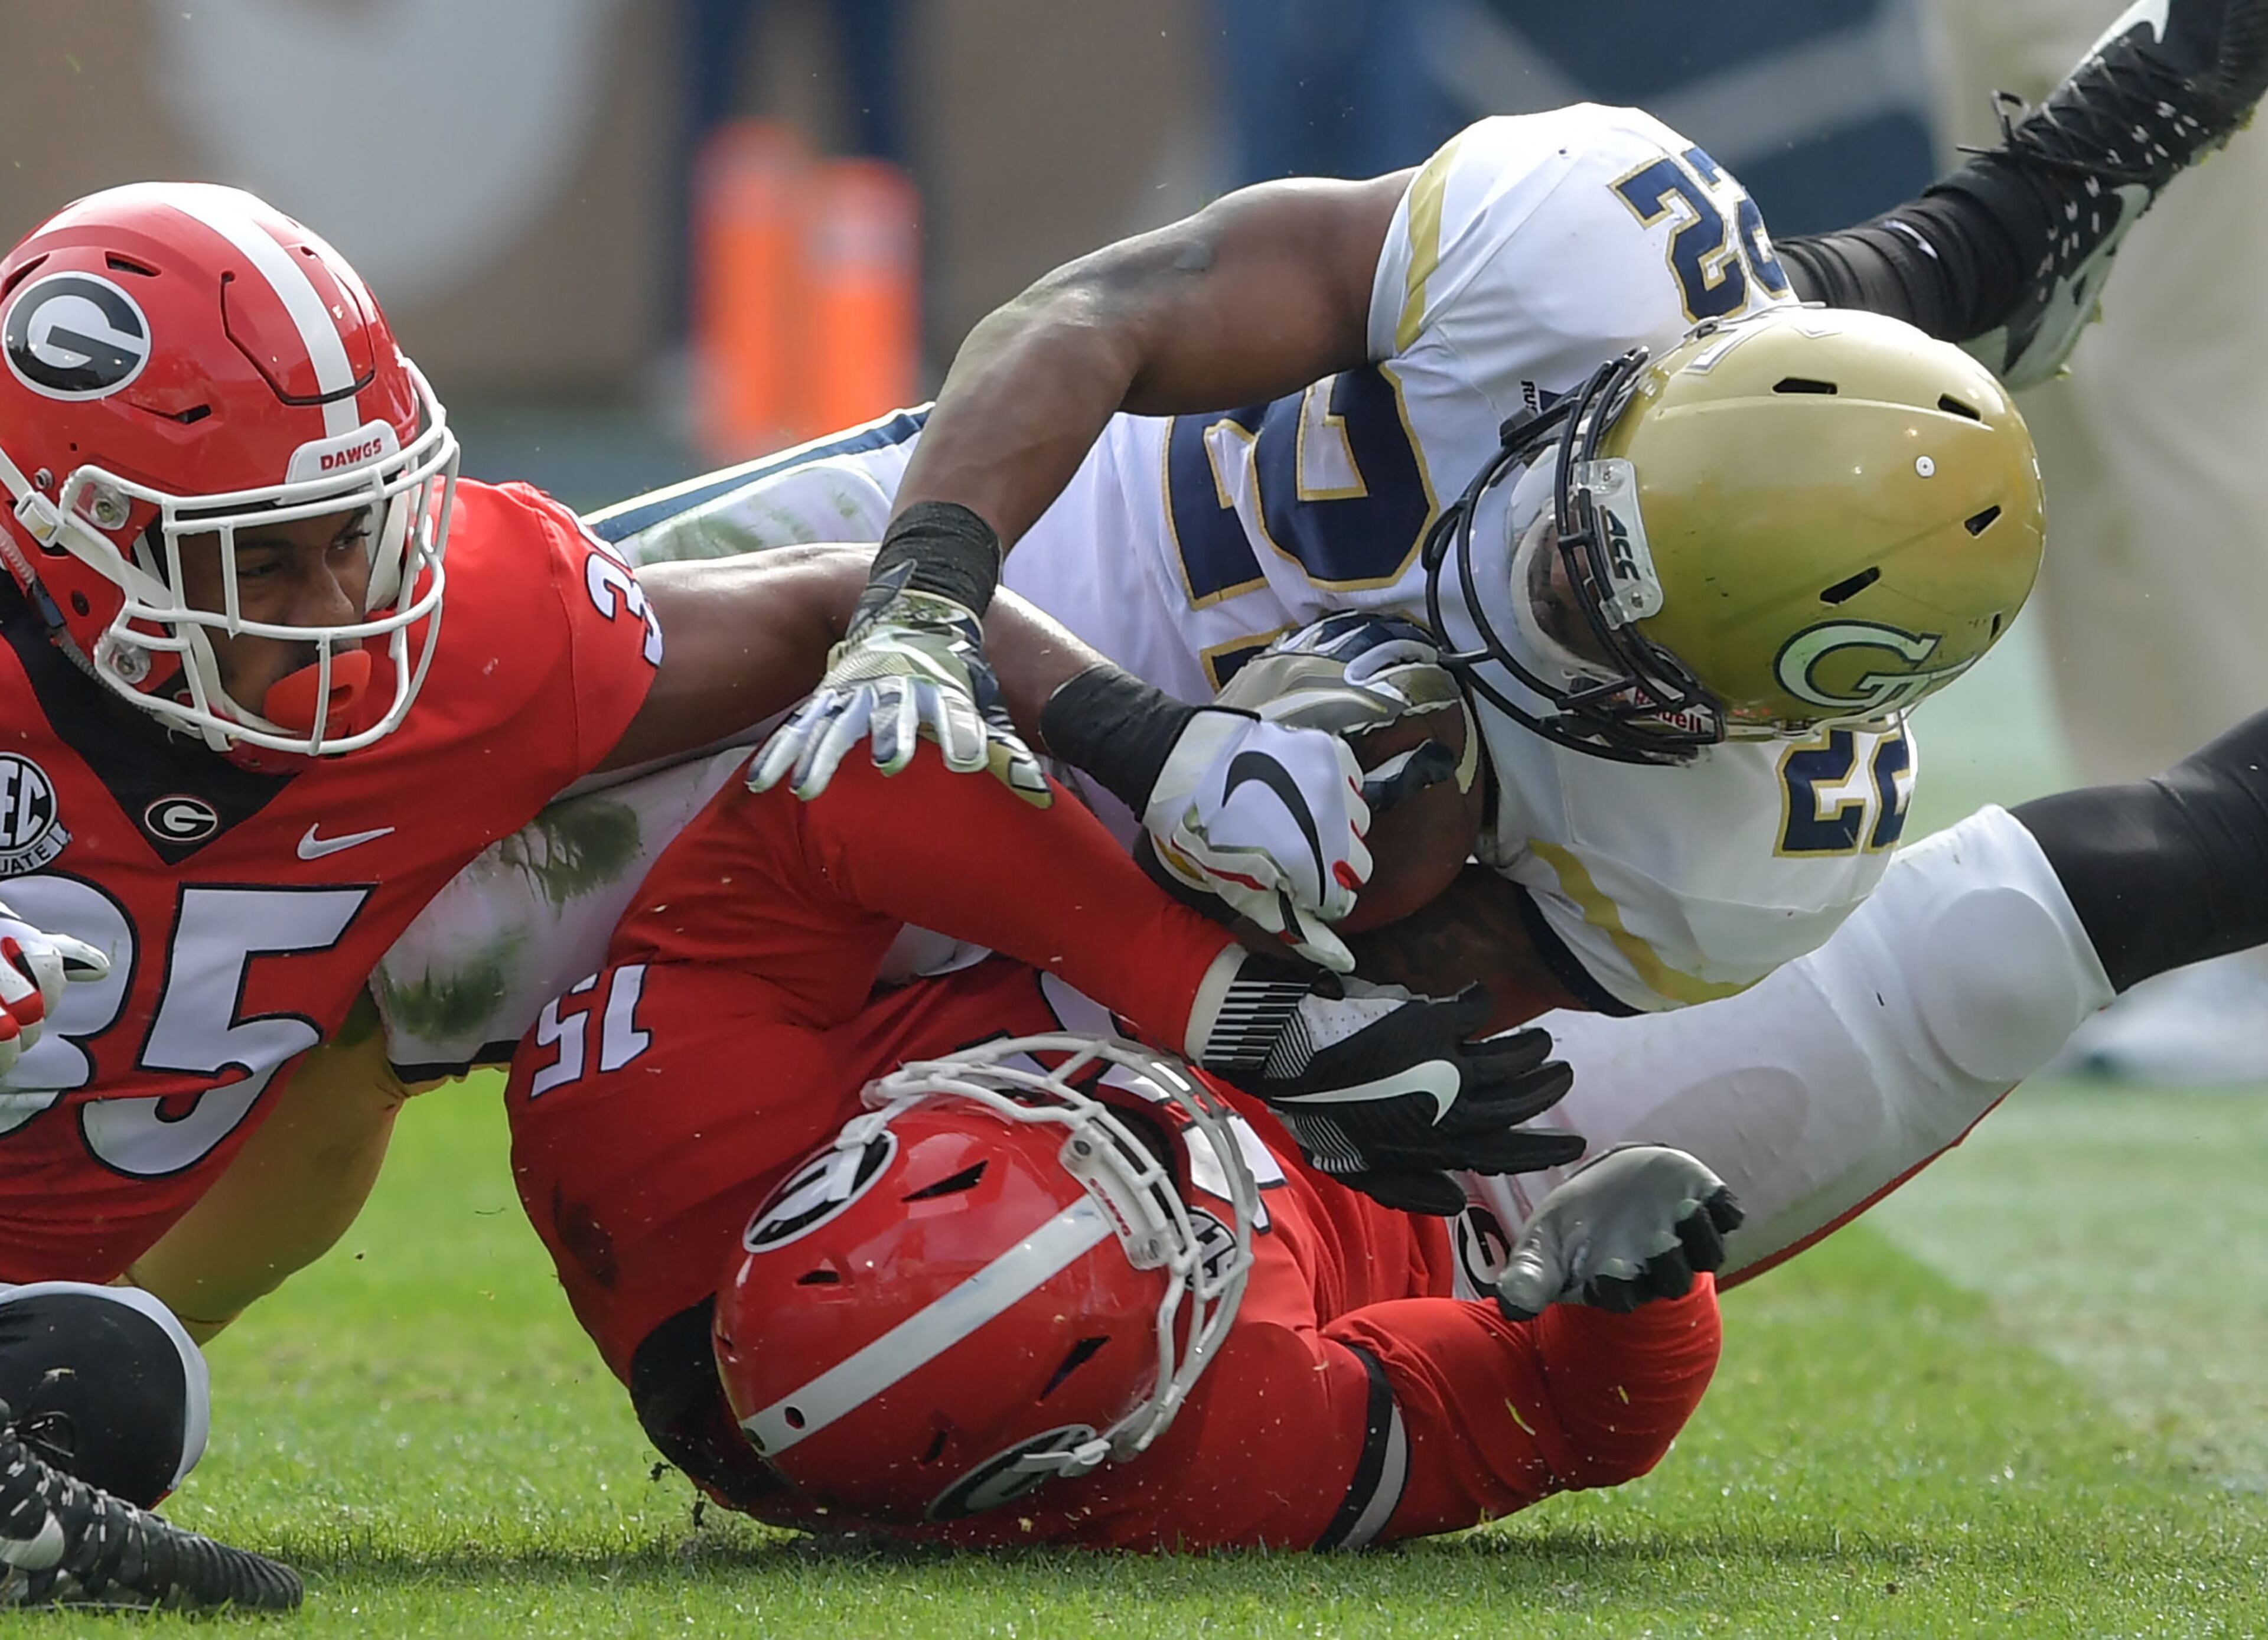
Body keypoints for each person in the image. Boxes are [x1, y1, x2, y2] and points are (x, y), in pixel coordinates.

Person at [0, 183, 1377, 1606]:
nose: (341, 606)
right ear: (63, 532)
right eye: (257, 560)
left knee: (118, 1388)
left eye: (355, 529)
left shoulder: (474, 635)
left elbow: (833, 604)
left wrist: (1132, 736)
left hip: (49, 1302)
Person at [499, 713, 1738, 1548]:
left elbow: (858, 768)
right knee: (1875, 940)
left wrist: (1233, 1014)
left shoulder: (652, 1130)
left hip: (1218, 908)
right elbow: (1559, 1415)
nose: (1169, 1121)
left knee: (1366, 714)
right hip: (1508, 1183)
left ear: (853, 1150)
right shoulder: (1210, 1449)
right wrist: (1635, 1280)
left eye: (1078, 1122)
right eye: (1174, 1208)